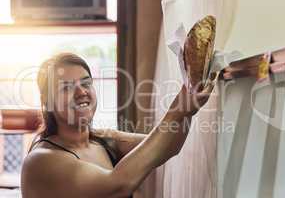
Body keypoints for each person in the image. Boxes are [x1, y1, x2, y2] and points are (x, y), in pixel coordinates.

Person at [21, 53, 214, 198]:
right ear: (47, 101)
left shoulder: (102, 139)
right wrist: (177, 111)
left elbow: (168, 146)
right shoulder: (41, 161)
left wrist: (191, 102)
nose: (81, 92)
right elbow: (118, 185)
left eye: (86, 83)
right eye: (67, 87)